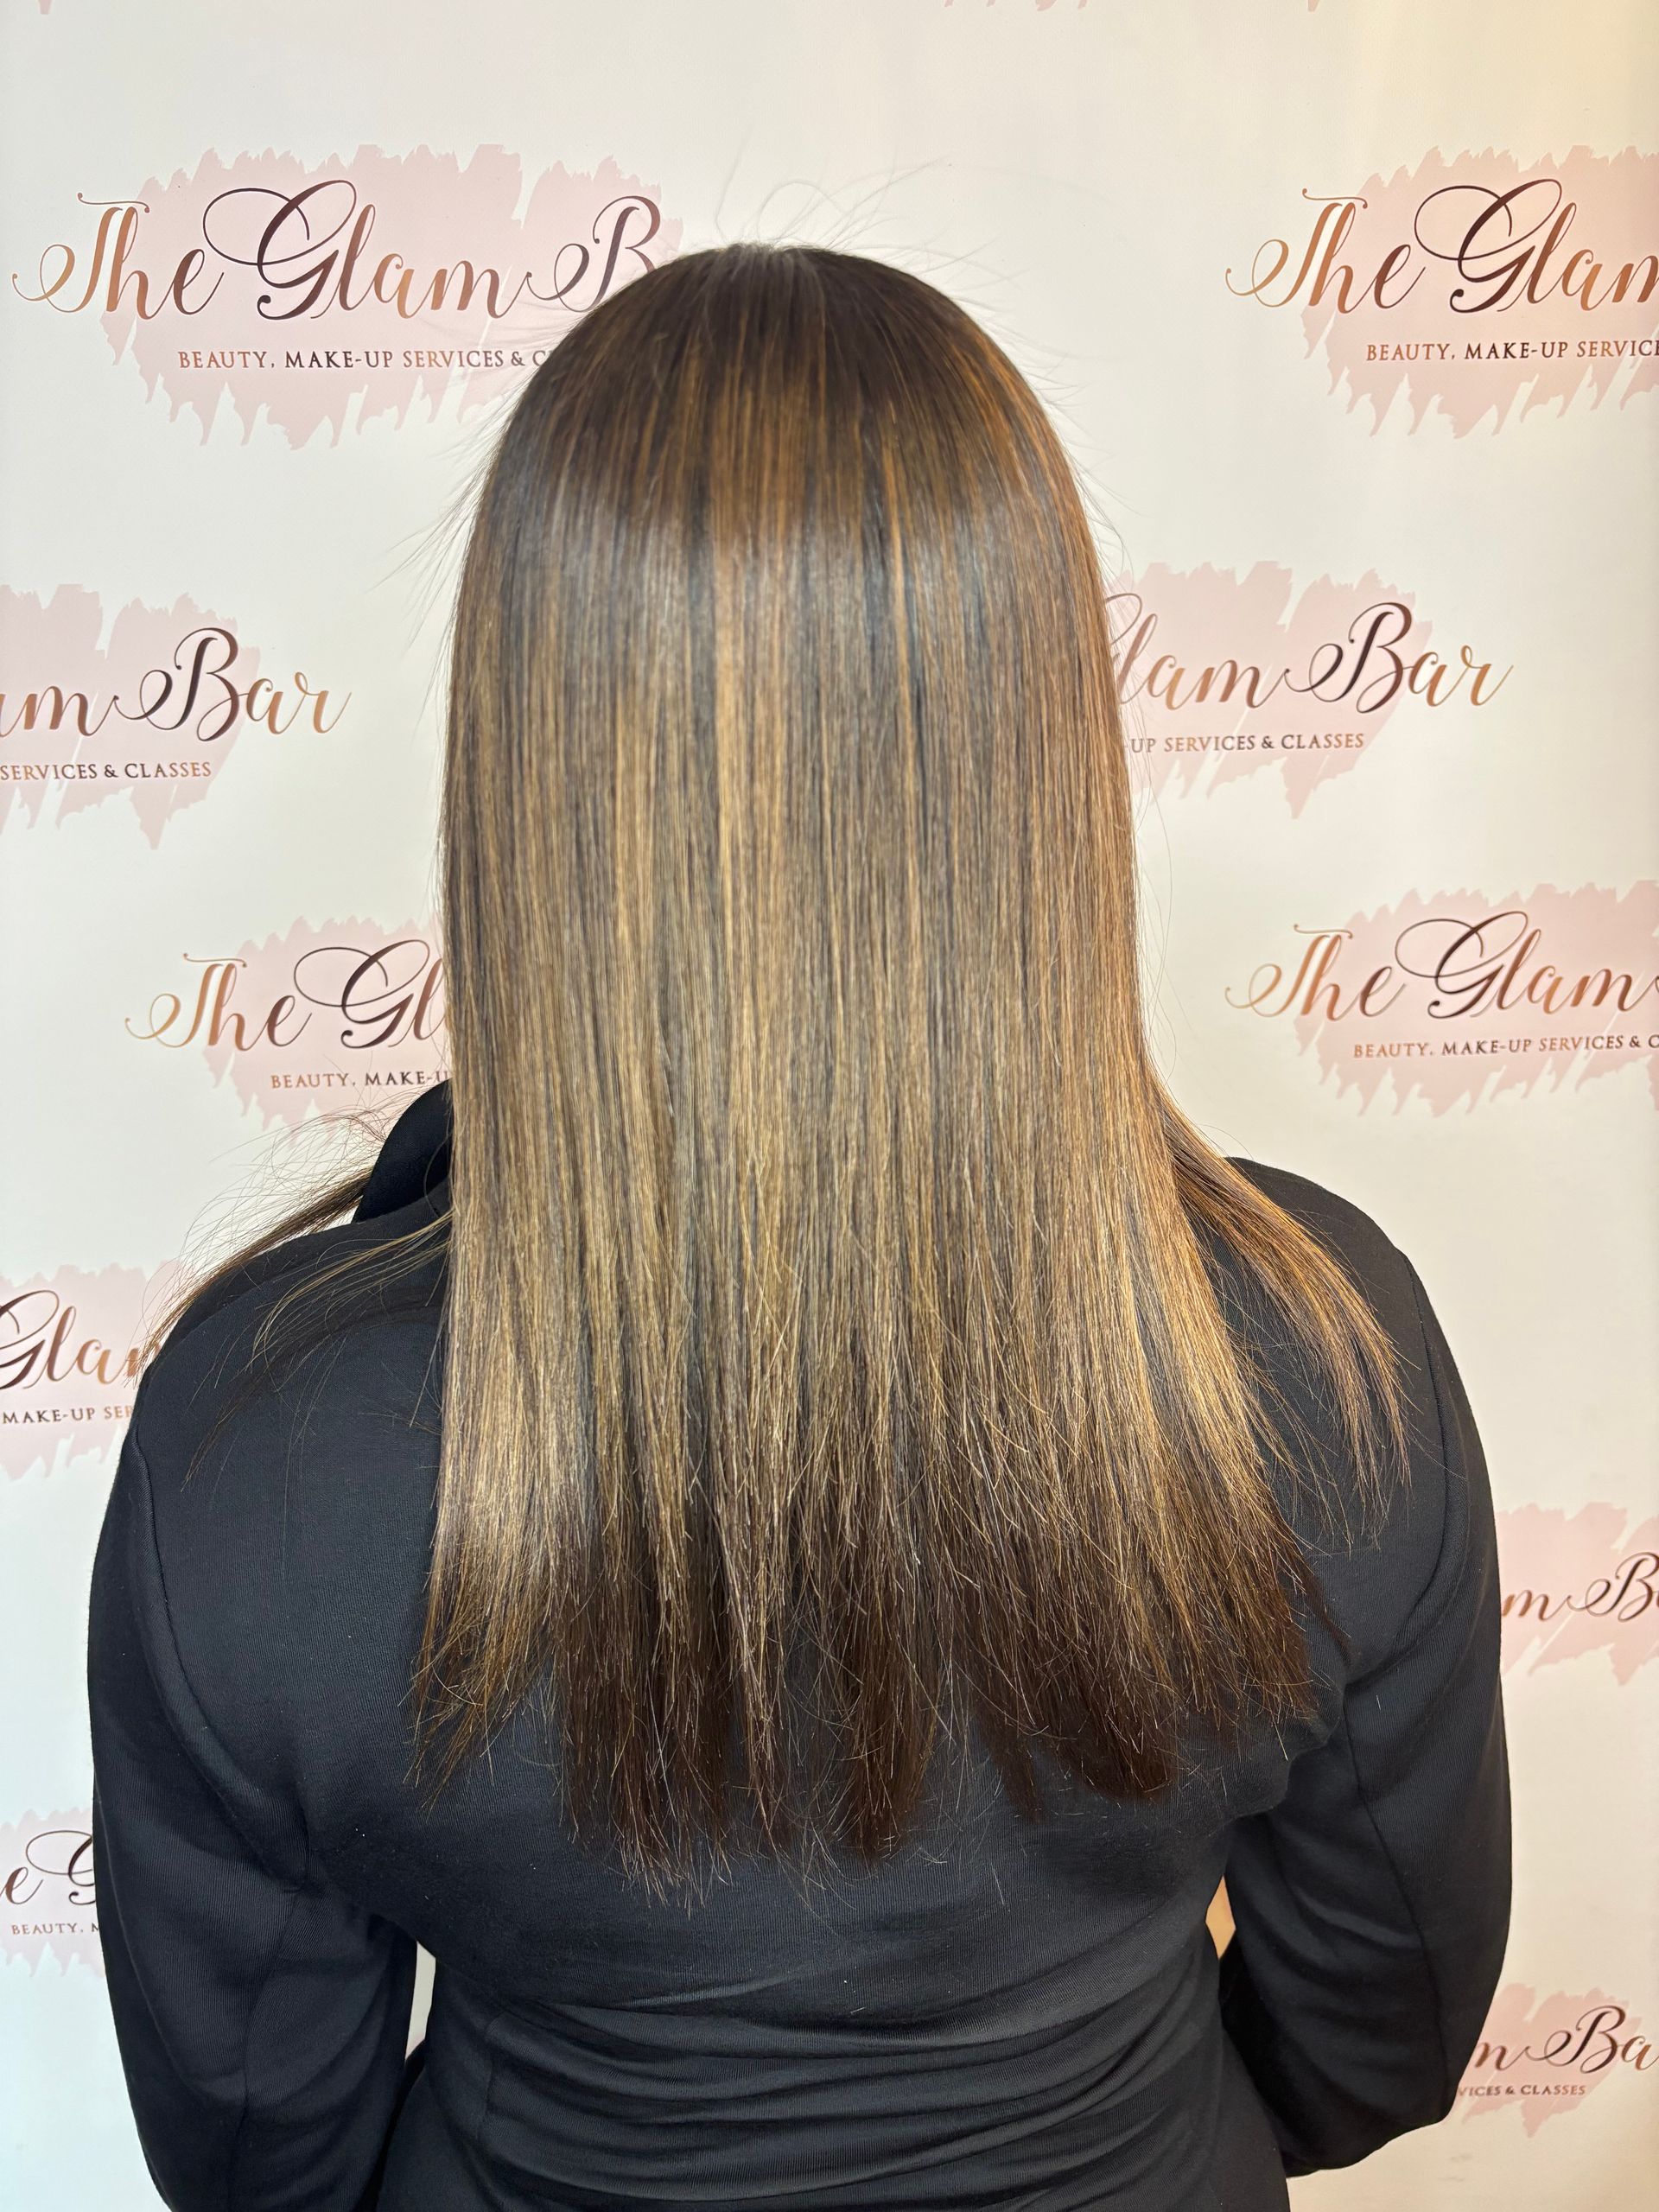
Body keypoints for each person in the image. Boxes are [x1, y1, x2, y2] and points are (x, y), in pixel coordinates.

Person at [86, 241, 1510, 2212]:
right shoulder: (1318, 1351)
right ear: (1040, 745)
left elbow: (263, 2153)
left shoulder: (258, 1446)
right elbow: (1376, 2034)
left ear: (524, 754)